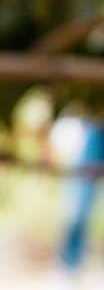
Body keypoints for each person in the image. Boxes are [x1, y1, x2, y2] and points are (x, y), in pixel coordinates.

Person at [51, 110, 104, 272]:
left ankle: (71, 265)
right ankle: (69, 265)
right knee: (76, 216)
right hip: (80, 172)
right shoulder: (89, 132)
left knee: (78, 216)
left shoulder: (92, 133)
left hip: (83, 171)